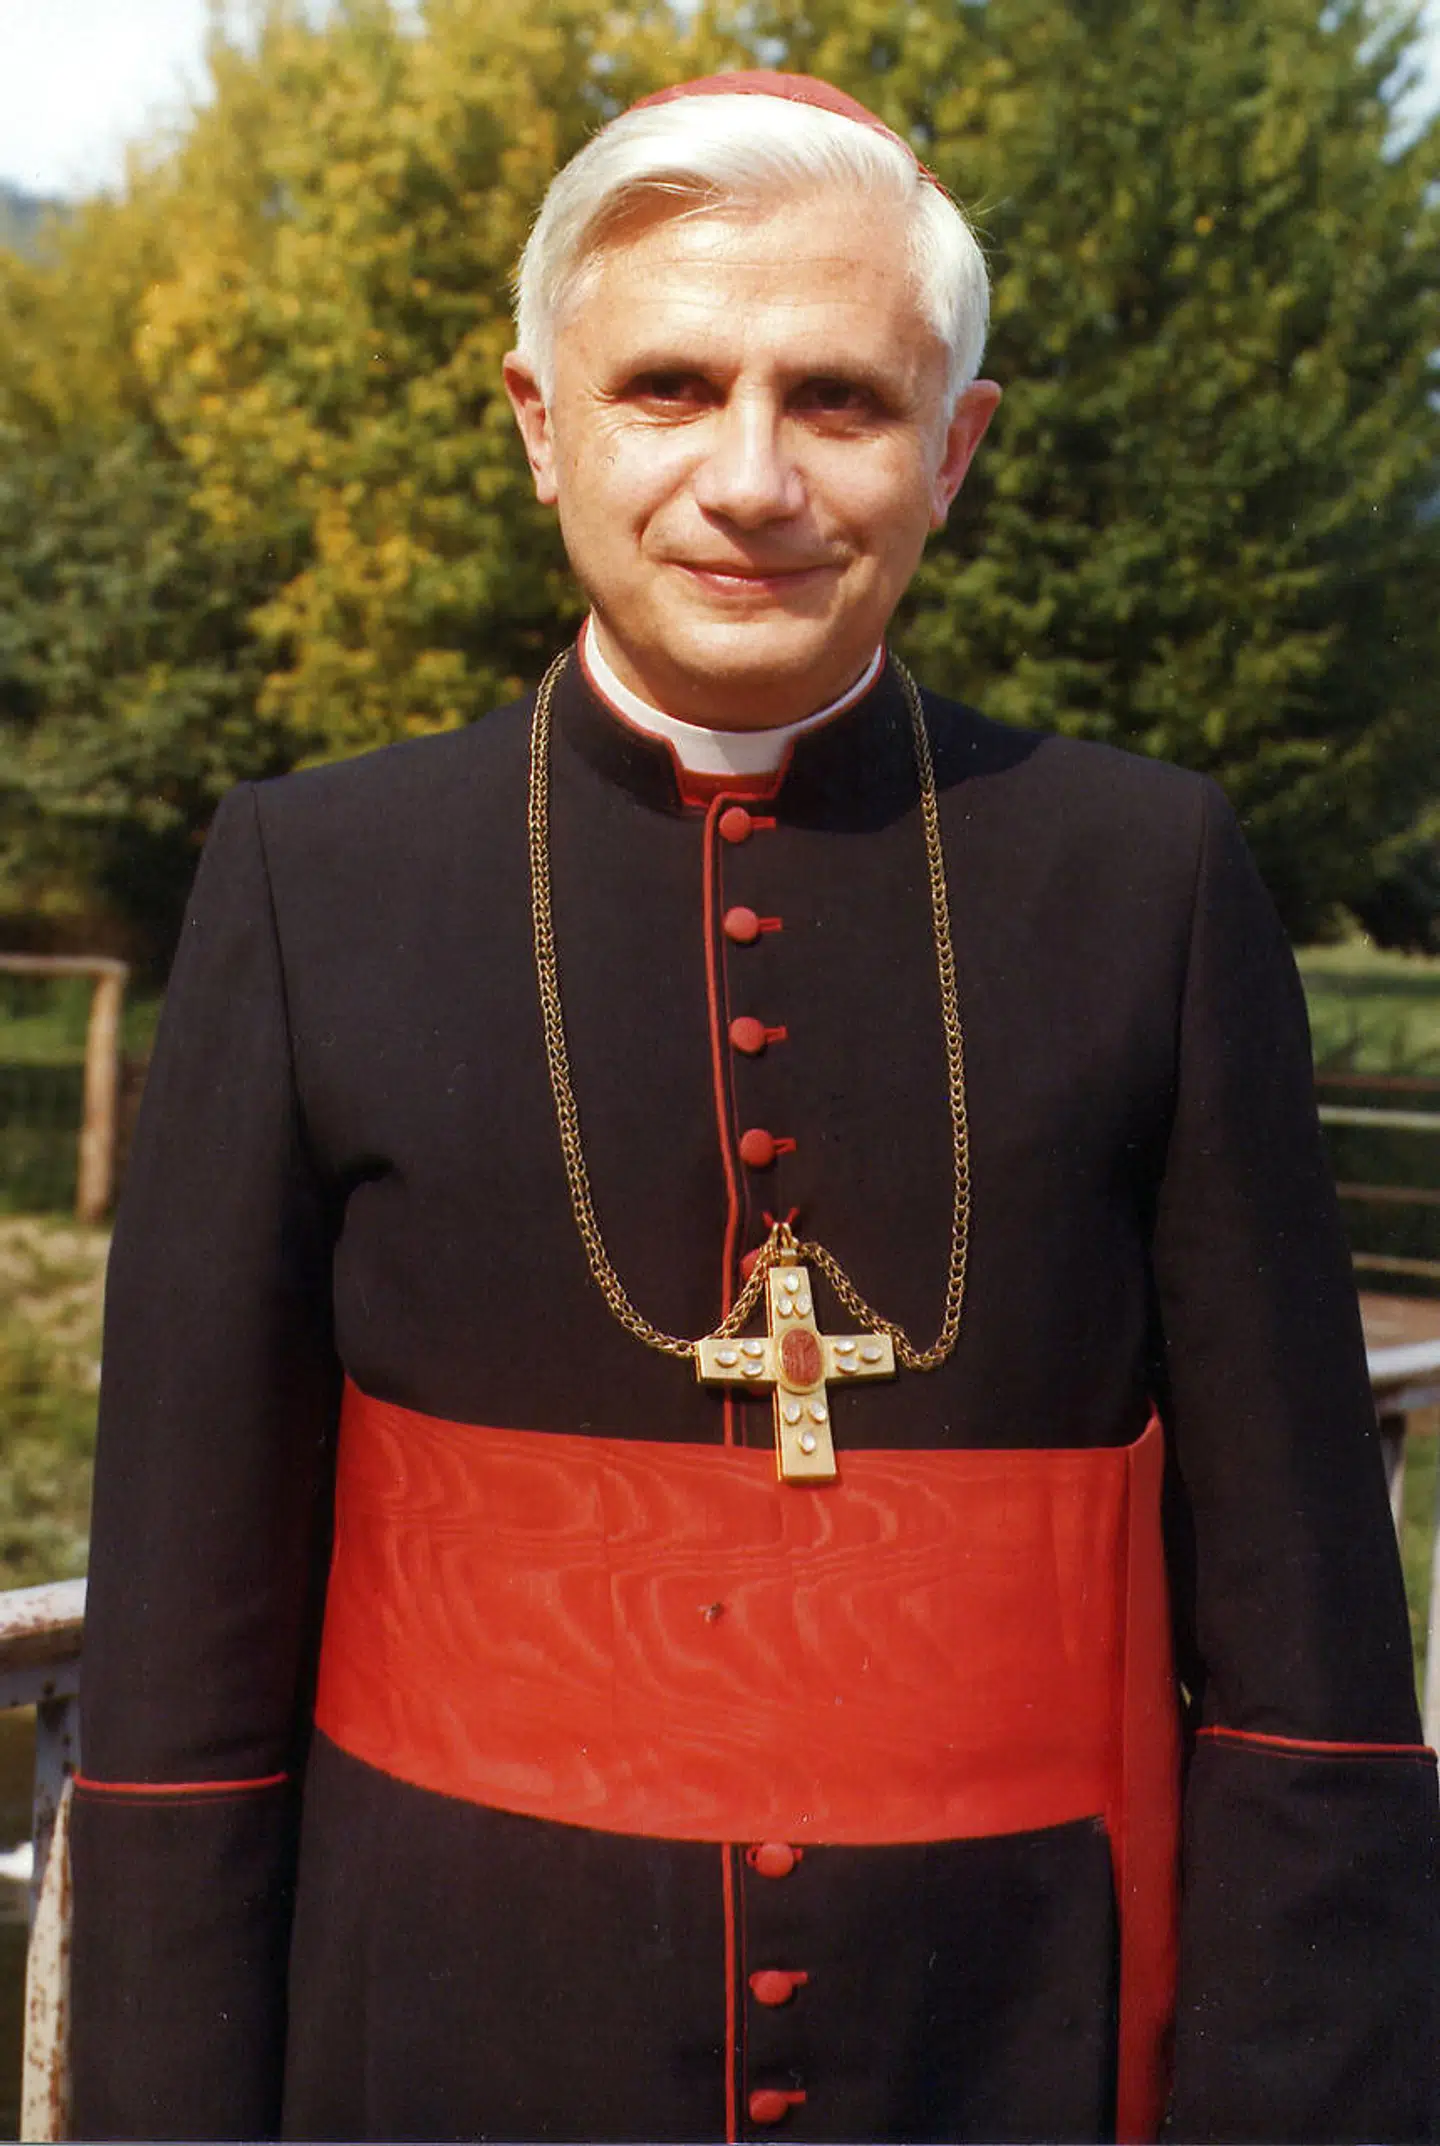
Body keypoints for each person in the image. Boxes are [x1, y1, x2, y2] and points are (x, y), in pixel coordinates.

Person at [71, 70, 1436, 2146]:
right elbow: (178, 1674)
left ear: (955, 451)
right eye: (670, 387)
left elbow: (1308, 1656)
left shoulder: (1143, 875)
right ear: (542, 425)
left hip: (1009, 2053)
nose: (751, 477)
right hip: (444, 2043)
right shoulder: (307, 879)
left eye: (842, 403)